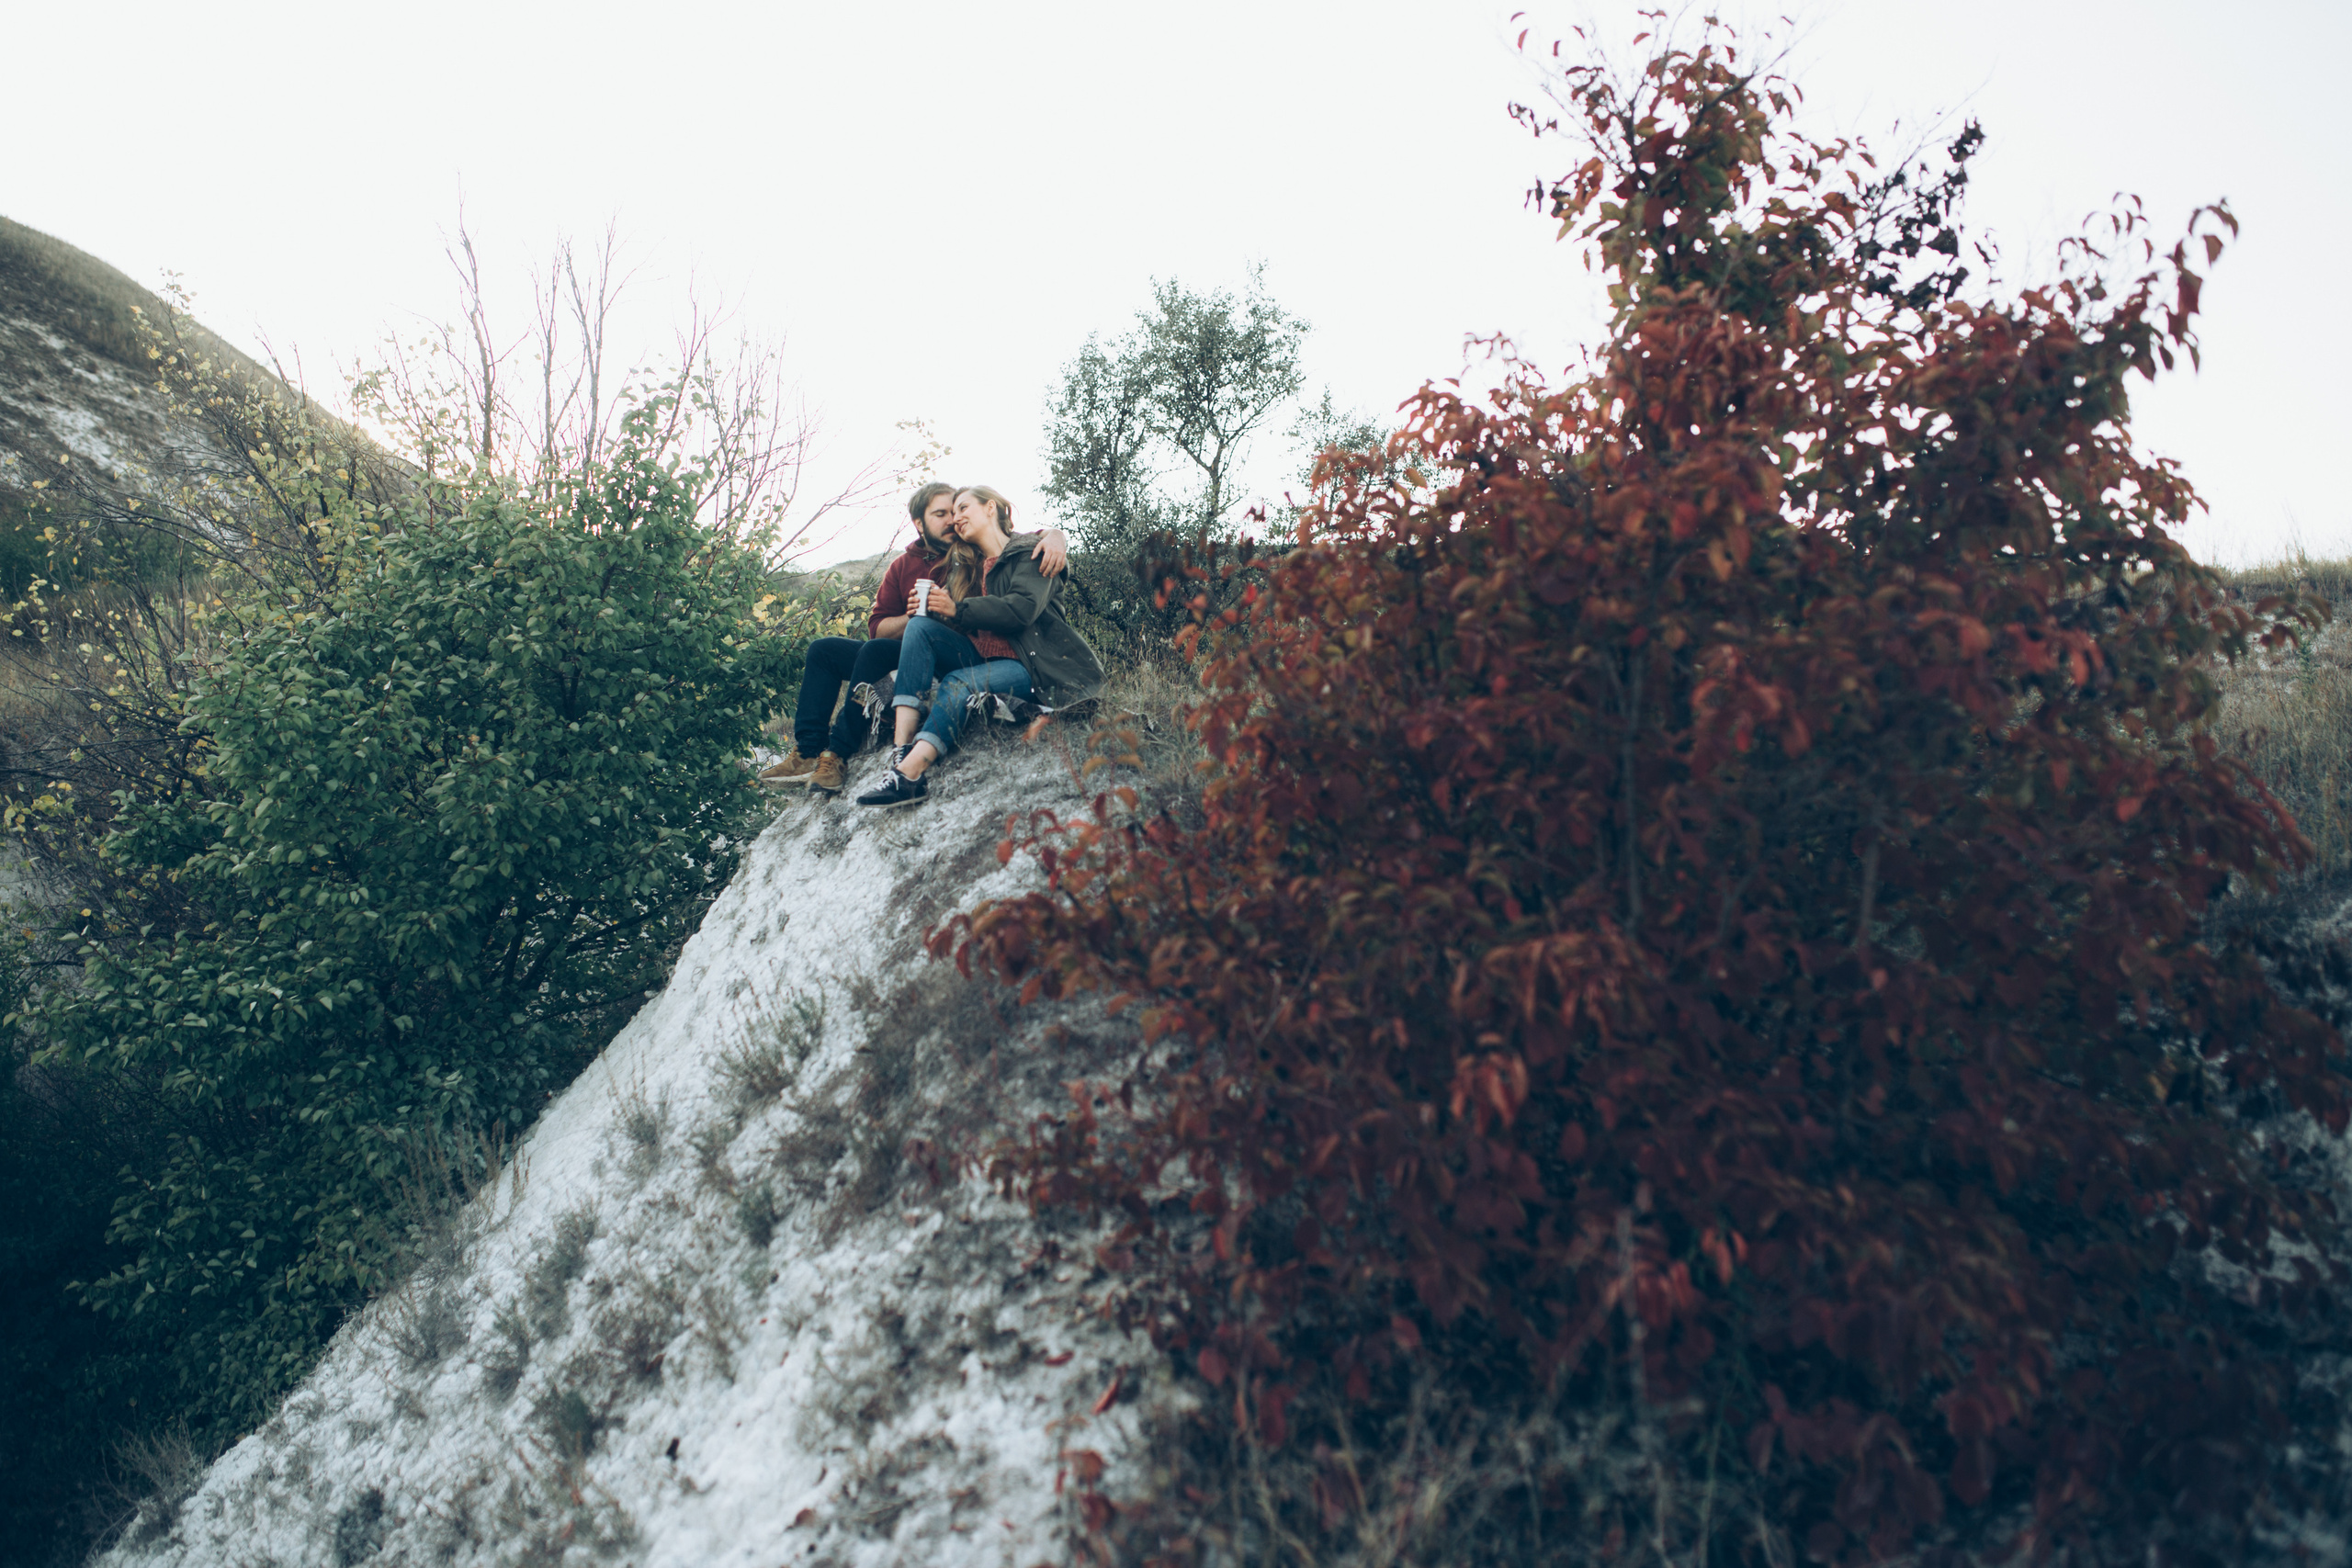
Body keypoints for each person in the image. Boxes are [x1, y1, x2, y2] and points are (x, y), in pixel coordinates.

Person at [760, 482, 1067, 794]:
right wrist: (913, 617)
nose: (952, 520)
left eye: (956, 511)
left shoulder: (971, 547)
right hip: (906, 644)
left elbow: (1012, 537)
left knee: (875, 652)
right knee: (825, 650)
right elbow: (877, 627)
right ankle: (808, 750)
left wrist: (1056, 535)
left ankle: (837, 753)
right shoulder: (902, 566)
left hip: (950, 651)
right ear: (919, 523)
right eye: (940, 514)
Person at [855, 485, 1105, 809]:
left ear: (990, 508)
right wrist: (933, 607)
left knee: (957, 683)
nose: (956, 518)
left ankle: (911, 774)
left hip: (1027, 666)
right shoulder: (964, 565)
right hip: (979, 657)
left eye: (963, 508)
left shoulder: (1032, 553)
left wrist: (1056, 534)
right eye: (951, 513)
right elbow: (957, 624)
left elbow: (1021, 610)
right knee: (919, 627)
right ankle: (900, 750)